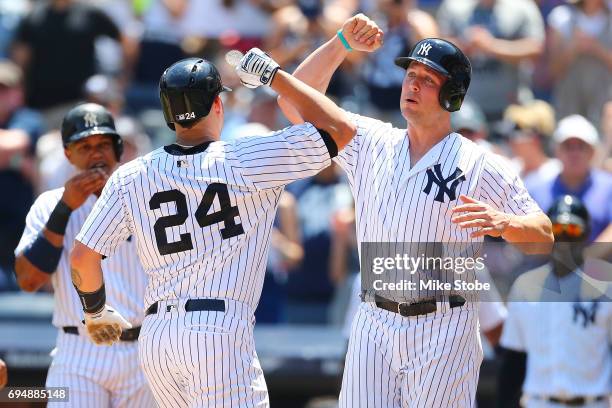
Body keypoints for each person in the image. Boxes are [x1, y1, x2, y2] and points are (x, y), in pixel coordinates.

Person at [278, 14, 553, 407]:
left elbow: (543, 235)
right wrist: (341, 42)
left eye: (428, 79)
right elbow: (292, 101)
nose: (413, 84)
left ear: (452, 95)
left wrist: (505, 223)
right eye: (411, 75)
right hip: (374, 321)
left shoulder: (480, 163)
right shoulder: (370, 141)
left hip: (444, 326)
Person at [68, 52, 358, 406]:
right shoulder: (246, 157)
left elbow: (83, 257)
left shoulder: (131, 175)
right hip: (217, 331)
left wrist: (95, 311)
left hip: (157, 337)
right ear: (218, 105)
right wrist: (272, 75)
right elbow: (341, 129)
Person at [13, 103, 154, 407]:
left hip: (143, 349)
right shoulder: (49, 204)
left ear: (118, 148)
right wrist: (65, 208)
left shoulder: (145, 199)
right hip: (79, 351)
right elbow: (28, 280)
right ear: (68, 154)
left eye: (103, 144)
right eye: (85, 146)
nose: (96, 154)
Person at [498, 195, 612, 408]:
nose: (564, 238)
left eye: (572, 230)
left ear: (587, 233)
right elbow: (514, 361)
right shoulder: (525, 286)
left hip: (593, 403)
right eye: (557, 229)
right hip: (539, 402)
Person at [436, 0, 545, 121]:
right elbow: (439, 46)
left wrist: (491, 46)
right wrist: (464, 45)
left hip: (511, 108)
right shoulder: (453, 6)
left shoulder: (523, 6)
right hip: (464, 110)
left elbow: (535, 48)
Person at [526, 114, 612, 242]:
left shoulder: (608, 187)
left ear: (592, 152)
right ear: (557, 151)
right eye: (568, 146)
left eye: (581, 146)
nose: (574, 153)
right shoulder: (535, 190)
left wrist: (590, 257)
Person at [0, 60, 44, 291]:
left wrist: (11, 155)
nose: (1, 95)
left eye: (5, 89)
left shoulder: (28, 118)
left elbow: (18, 141)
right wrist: (16, 161)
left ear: (19, 92)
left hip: (20, 227)